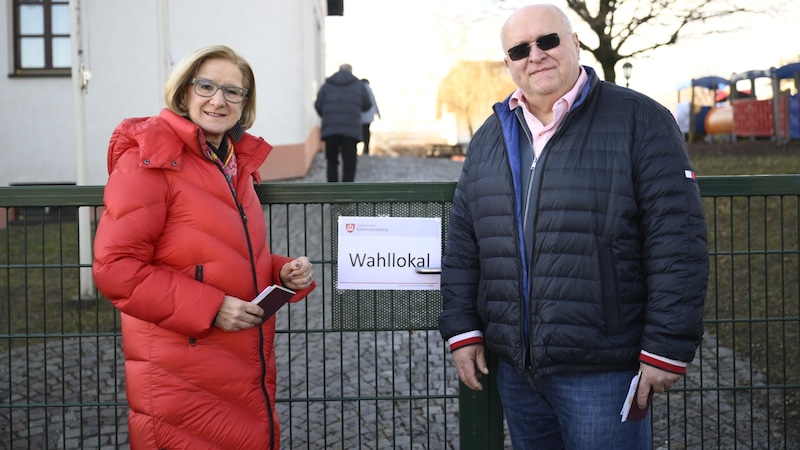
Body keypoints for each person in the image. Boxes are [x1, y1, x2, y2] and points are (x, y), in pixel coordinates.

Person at [437, 4, 709, 449]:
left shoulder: (641, 120)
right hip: (516, 368)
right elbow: (466, 244)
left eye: (548, 40)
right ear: (508, 63)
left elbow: (677, 241)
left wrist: (666, 348)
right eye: (520, 49)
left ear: (575, 43)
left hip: (603, 367)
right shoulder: (490, 134)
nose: (536, 55)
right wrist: (463, 331)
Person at [92, 45, 316, 450]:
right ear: (183, 93)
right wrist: (211, 308)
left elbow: (214, 254)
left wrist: (279, 271)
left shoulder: (233, 163)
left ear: (245, 104)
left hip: (234, 363)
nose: (218, 100)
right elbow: (116, 269)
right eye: (207, 86)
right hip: (181, 371)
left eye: (233, 91)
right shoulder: (150, 159)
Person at [314, 63, 372, 182]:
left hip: (330, 130)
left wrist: (327, 117)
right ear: (351, 72)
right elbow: (367, 105)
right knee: (349, 164)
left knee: (332, 161)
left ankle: (333, 194)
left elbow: (318, 105)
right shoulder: (358, 85)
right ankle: (347, 195)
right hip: (351, 130)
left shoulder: (327, 85)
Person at [360, 78, 381, 155]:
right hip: (368, 116)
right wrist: (378, 113)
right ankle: (366, 148)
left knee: (361, 131)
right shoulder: (369, 90)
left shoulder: (359, 89)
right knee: (366, 131)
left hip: (360, 116)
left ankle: (364, 148)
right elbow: (374, 102)